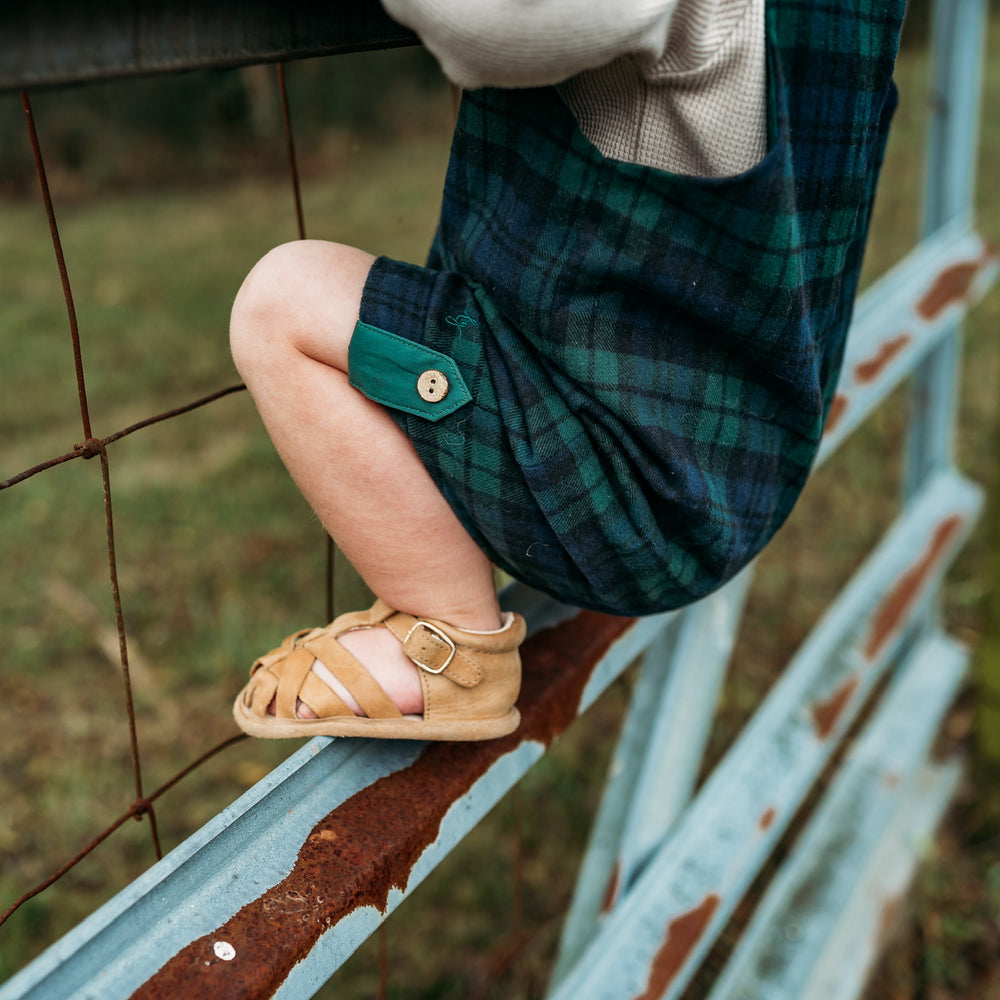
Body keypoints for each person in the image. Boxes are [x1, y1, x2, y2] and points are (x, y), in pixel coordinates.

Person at [229, 0, 904, 741]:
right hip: (736, 453)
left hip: (621, 484)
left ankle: (450, 642)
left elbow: (497, 22)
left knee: (281, 304)